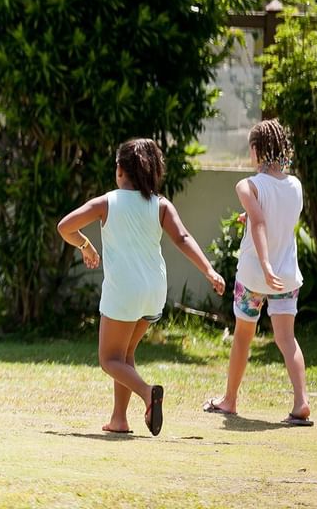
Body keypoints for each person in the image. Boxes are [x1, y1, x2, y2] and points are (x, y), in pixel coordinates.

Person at [58, 138, 225, 437]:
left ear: (120, 170)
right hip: (153, 291)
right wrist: (209, 270)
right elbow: (183, 238)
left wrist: (86, 246)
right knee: (124, 356)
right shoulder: (160, 204)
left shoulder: (106, 202)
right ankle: (119, 419)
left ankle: (148, 394)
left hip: (124, 290)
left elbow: (64, 227)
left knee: (108, 360)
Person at [203, 120, 312, 426]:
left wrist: (264, 263)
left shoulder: (247, 185)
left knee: (242, 336)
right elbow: (274, 217)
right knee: (287, 339)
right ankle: (301, 402)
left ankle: (230, 400)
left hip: (254, 275)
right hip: (287, 276)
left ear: (256, 149)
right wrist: (249, 218)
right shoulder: (296, 185)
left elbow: (261, 221)